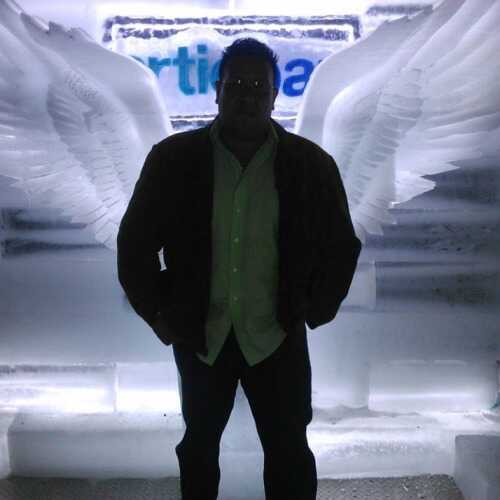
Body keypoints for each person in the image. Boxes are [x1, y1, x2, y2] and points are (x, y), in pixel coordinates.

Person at [117, 38, 361, 500]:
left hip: (277, 337)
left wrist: (314, 309)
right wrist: (159, 315)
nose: (247, 96)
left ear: (274, 96)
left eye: (257, 87)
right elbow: (134, 244)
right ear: (217, 91)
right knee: (198, 449)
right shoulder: (172, 160)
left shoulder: (311, 165)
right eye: (236, 85)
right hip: (201, 337)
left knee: (289, 453)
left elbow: (341, 245)